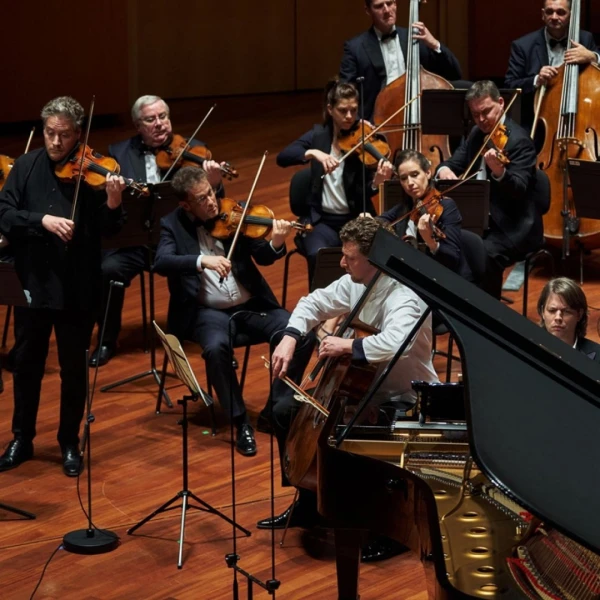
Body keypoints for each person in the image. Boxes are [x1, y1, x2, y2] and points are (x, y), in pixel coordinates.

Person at [256, 216, 439, 561]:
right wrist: (290, 337)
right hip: (358, 389)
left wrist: (347, 346)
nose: (342, 262)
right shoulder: (356, 282)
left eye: (350, 257)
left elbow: (395, 343)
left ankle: (394, 531)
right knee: (283, 412)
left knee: (369, 443)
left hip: (402, 396)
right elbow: (313, 303)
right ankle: (308, 499)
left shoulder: (406, 295)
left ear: (375, 260)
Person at [0, 96, 126, 476]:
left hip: (77, 287)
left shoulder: (94, 175)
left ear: (78, 135)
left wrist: (113, 201)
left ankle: (69, 441)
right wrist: (42, 221)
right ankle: (21, 438)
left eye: (65, 135)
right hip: (32, 285)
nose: (56, 142)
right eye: (50, 133)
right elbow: (4, 214)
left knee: (73, 370)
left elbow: (110, 230)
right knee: (27, 365)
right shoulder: (25, 166)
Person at [153, 166, 315, 456]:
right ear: (186, 205)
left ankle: (274, 410)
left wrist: (277, 241)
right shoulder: (171, 225)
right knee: (216, 349)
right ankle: (241, 423)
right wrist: (202, 261)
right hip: (208, 313)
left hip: (251, 306)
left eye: (211, 193)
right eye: (202, 199)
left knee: (301, 334)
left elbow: (263, 255)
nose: (211, 202)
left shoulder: (234, 214)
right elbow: (162, 261)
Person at [90, 95, 225, 367]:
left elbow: (214, 207)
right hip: (135, 242)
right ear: (138, 126)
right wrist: (112, 199)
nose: (159, 123)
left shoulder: (195, 151)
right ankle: (106, 339)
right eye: (150, 119)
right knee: (108, 270)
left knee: (189, 270)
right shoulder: (118, 153)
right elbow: (104, 214)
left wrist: (215, 184)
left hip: (175, 238)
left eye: (163, 116)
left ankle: (187, 335)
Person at [277, 79, 393, 283]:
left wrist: (377, 183)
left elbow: (363, 193)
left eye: (353, 110)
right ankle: (320, 301)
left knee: (373, 256)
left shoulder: (363, 137)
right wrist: (313, 153)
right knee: (318, 255)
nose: (349, 116)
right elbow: (283, 157)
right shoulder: (318, 136)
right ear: (330, 109)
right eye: (343, 110)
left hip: (354, 220)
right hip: (322, 222)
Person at [436, 80, 543, 299]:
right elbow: (453, 162)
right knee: (445, 240)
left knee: (484, 253)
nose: (482, 119)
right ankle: (461, 301)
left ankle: (488, 308)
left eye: (486, 112)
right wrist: (444, 170)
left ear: (501, 103)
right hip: (482, 220)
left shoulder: (519, 141)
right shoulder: (477, 134)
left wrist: (500, 173)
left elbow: (519, 190)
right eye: (476, 115)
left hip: (513, 224)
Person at [339, 0, 462, 121]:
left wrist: (434, 44)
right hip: (377, 125)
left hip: (420, 120)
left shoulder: (416, 39)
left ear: (395, 4)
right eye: (379, 6)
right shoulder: (355, 48)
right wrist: (359, 123)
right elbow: (344, 93)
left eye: (390, 3)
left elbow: (454, 74)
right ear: (368, 10)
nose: (387, 10)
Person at [505, 0, 599, 135]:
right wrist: (536, 80)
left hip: (581, 121)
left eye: (561, 12)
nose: (554, 17)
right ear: (543, 14)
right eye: (549, 12)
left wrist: (593, 57)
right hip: (539, 127)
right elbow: (510, 85)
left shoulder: (585, 39)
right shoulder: (523, 46)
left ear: (571, 15)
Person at [376, 149, 473, 281]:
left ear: (428, 173)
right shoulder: (405, 207)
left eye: (415, 174)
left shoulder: (447, 206)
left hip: (446, 280)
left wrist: (431, 242)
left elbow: (452, 259)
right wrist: (370, 220)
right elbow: (382, 220)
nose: (410, 182)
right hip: (415, 276)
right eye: (404, 178)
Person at [537, 277, 600, 360]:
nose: (558, 317)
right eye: (552, 310)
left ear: (579, 315)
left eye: (566, 311)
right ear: (542, 312)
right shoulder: (527, 348)